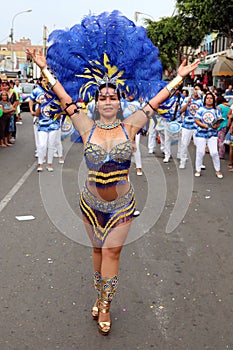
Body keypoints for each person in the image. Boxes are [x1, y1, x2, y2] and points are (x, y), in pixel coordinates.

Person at [26, 12, 199, 336]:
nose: (107, 101)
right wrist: (43, 68)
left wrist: (179, 77)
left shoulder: (130, 127)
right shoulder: (84, 125)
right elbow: (63, 95)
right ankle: (99, 294)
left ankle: (105, 306)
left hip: (121, 206)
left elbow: (158, 99)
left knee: (113, 251)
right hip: (91, 204)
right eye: (102, 97)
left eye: (113, 97)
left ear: (120, 102)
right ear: (95, 101)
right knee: (96, 251)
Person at [194, 92, 223, 178]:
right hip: (201, 134)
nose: (209, 100)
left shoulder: (216, 110)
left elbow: (219, 121)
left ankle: (218, 170)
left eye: (211, 98)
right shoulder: (200, 109)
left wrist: (216, 126)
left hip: (212, 134)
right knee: (200, 152)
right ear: (205, 100)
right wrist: (204, 126)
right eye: (207, 98)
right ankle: (198, 169)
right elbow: (197, 120)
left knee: (214, 152)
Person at [179, 84, 203, 169]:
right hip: (187, 125)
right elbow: (181, 110)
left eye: (198, 89)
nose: (195, 91)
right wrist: (188, 103)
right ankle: (183, 161)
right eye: (195, 89)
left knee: (199, 144)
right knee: (184, 144)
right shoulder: (187, 99)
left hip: (197, 126)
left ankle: (199, 163)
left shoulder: (202, 101)